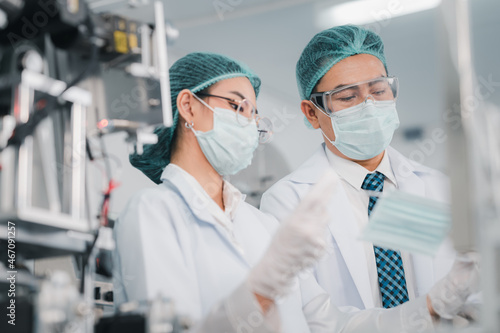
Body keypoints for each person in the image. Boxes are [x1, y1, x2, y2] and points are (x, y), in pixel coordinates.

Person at [113, 51, 479, 333]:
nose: (249, 122)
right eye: (238, 105)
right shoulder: (152, 212)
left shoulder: (258, 224)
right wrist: (261, 289)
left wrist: (441, 305)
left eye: (255, 113)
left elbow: (316, 324)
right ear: (189, 105)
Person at [260, 25, 473, 318]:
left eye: (378, 90)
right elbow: (313, 317)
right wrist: (426, 311)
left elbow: (471, 290)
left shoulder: (436, 187)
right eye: (348, 97)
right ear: (312, 113)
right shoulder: (287, 202)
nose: (369, 107)